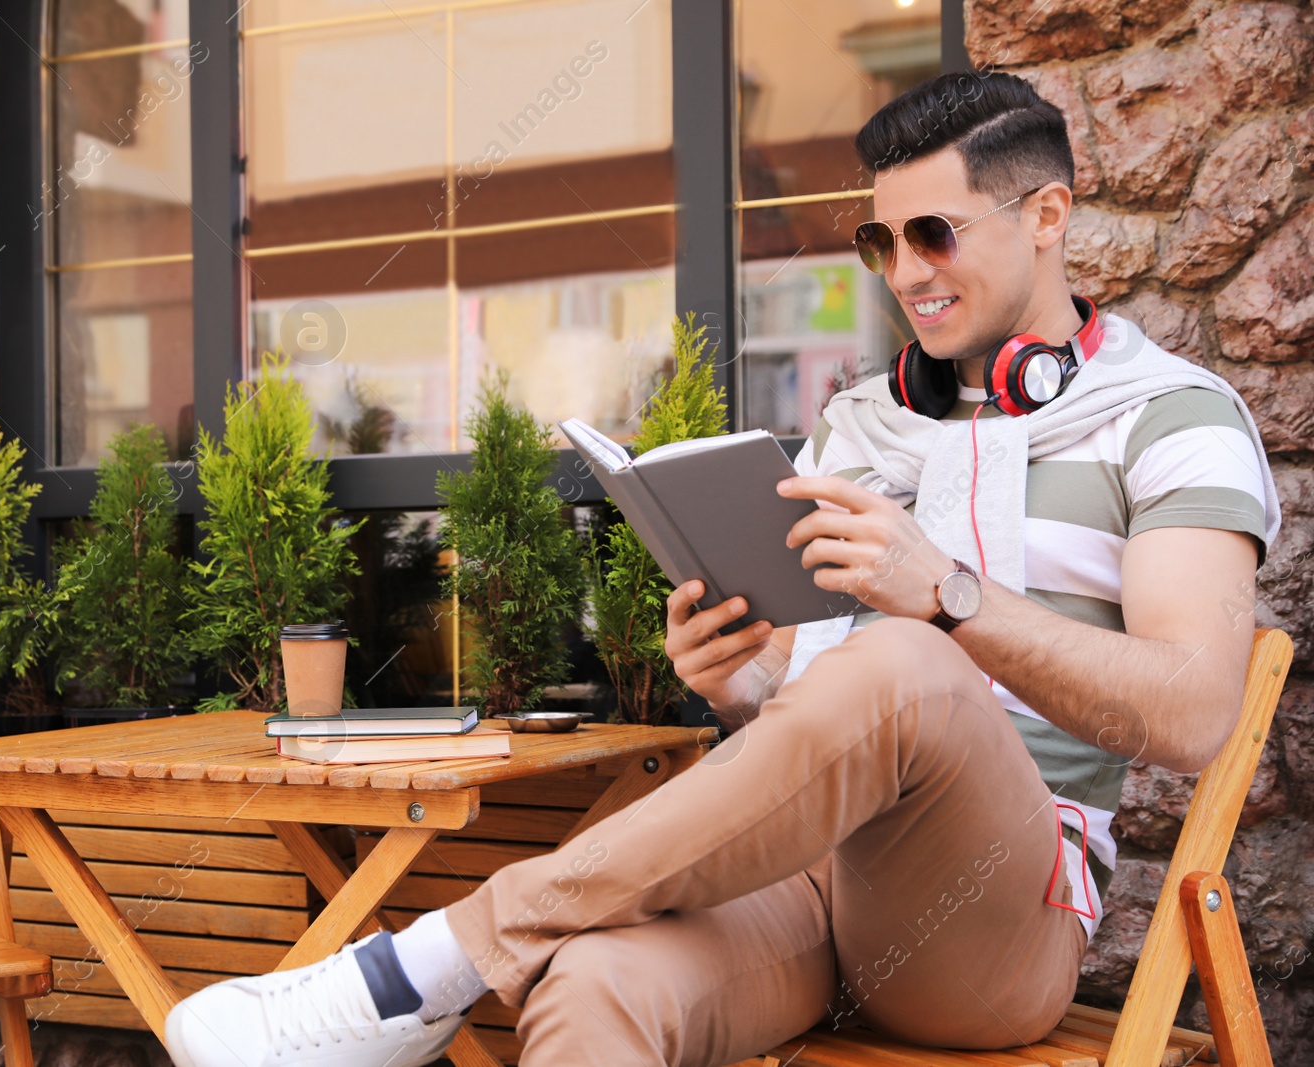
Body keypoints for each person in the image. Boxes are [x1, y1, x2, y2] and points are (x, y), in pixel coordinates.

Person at [162, 70, 1281, 1067]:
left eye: (932, 233)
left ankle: (433, 958)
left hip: (988, 923)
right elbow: (802, 689)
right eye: (877, 242)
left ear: (1046, 216)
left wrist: (945, 592)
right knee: (597, 985)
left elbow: (1190, 712)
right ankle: (461, 961)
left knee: (905, 654)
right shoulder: (858, 426)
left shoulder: (1169, 420)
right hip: (800, 883)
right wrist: (736, 677)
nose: (904, 272)